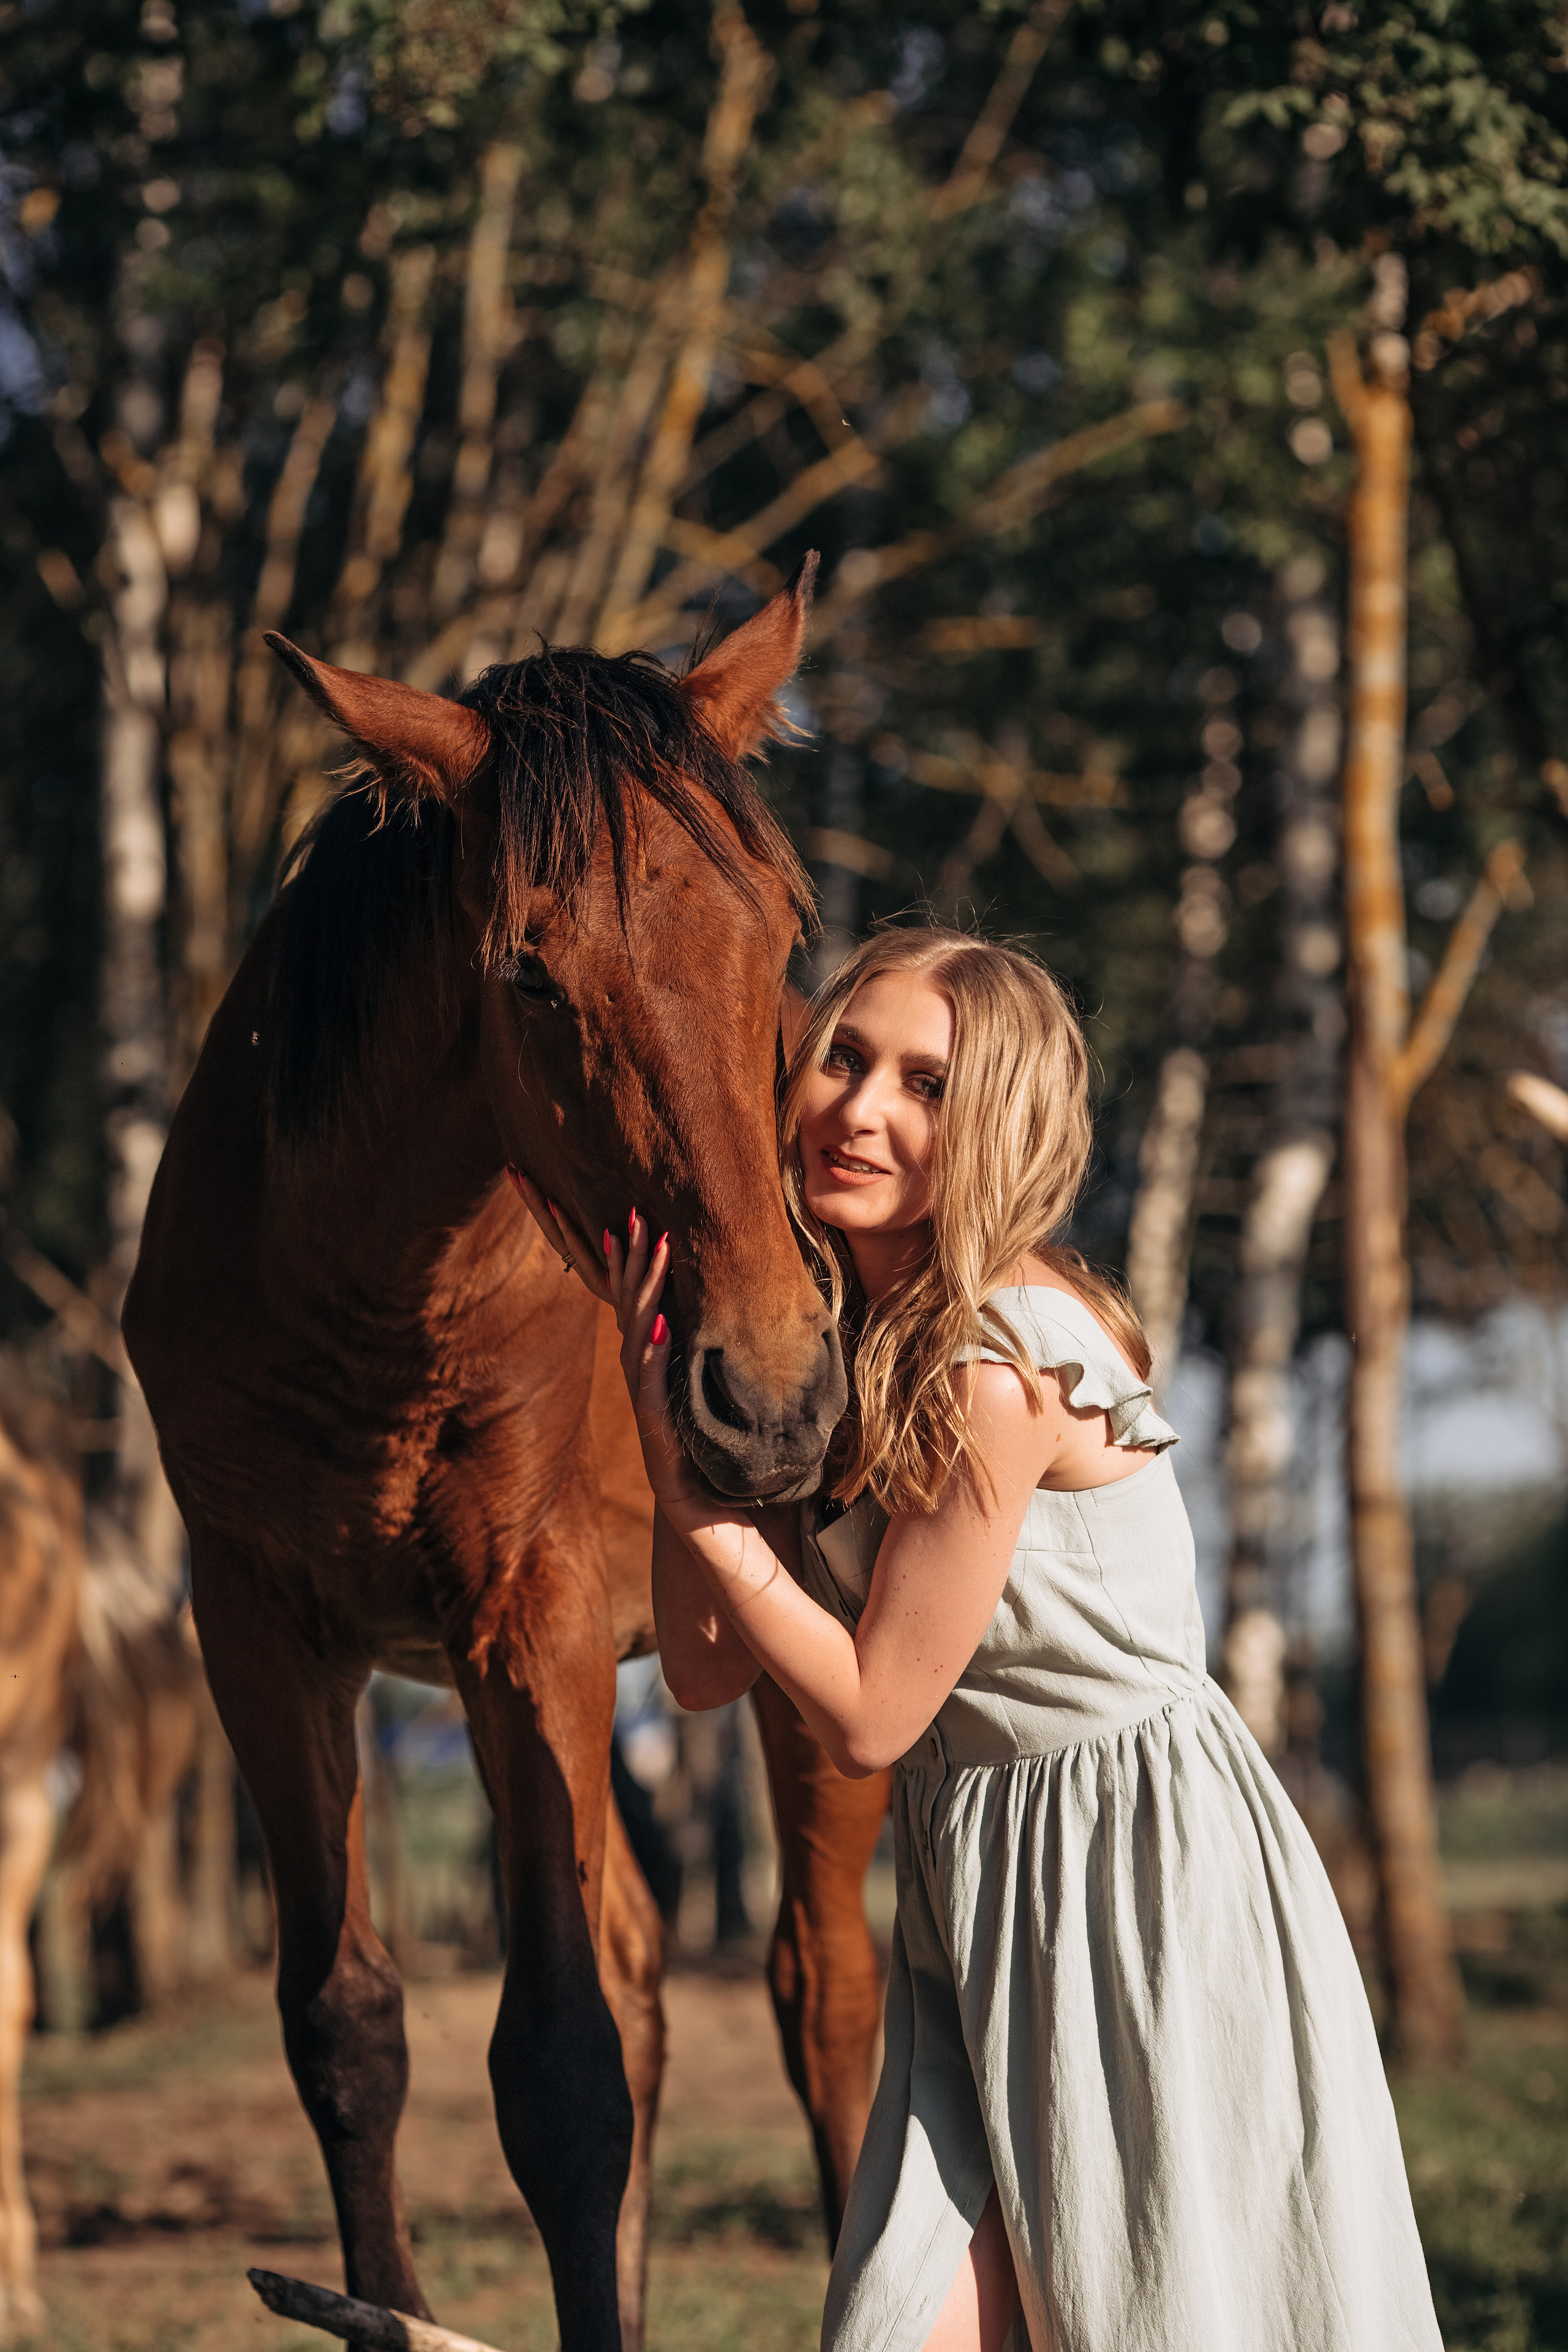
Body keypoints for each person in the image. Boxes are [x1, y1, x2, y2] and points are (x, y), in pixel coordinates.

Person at [521, 925, 1442, 2352]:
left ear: (998, 1122)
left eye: (925, 1085)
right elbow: (704, 1672)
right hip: (981, 1879)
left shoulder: (988, 1361)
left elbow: (872, 1717)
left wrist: (697, 1510)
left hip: (1126, 1877)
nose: (859, 1108)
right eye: (840, 1058)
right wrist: (683, 1455)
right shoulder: (856, 1338)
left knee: (1160, 2310)